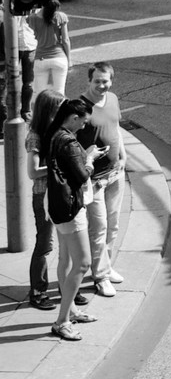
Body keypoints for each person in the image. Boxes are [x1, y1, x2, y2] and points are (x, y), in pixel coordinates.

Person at [47, 98, 103, 340]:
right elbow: (81, 176)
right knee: (82, 263)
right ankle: (62, 321)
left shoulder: (55, 134)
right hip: (70, 208)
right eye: (83, 122)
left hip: (57, 205)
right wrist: (90, 159)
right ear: (73, 118)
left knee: (66, 259)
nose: (83, 126)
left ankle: (70, 310)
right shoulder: (68, 141)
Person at [76, 62, 126, 298]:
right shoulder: (78, 106)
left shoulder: (113, 99)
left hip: (116, 173)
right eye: (97, 81)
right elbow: (69, 140)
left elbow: (116, 129)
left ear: (111, 80)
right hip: (94, 179)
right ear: (89, 80)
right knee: (99, 228)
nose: (102, 85)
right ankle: (101, 277)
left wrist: (124, 155)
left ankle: (105, 266)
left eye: (105, 81)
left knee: (113, 226)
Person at [25, 90, 70, 311]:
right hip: (43, 195)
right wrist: (57, 164)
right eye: (60, 107)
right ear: (49, 109)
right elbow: (32, 172)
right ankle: (37, 291)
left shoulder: (60, 130)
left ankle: (67, 287)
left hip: (61, 193)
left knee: (67, 242)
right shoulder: (35, 135)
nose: (64, 111)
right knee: (45, 244)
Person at [29, 0, 71, 97]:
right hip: (59, 57)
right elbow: (65, 40)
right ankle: (59, 111)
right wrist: (69, 60)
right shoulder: (60, 16)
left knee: (40, 94)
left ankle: (42, 111)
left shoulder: (32, 18)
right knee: (59, 92)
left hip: (40, 58)